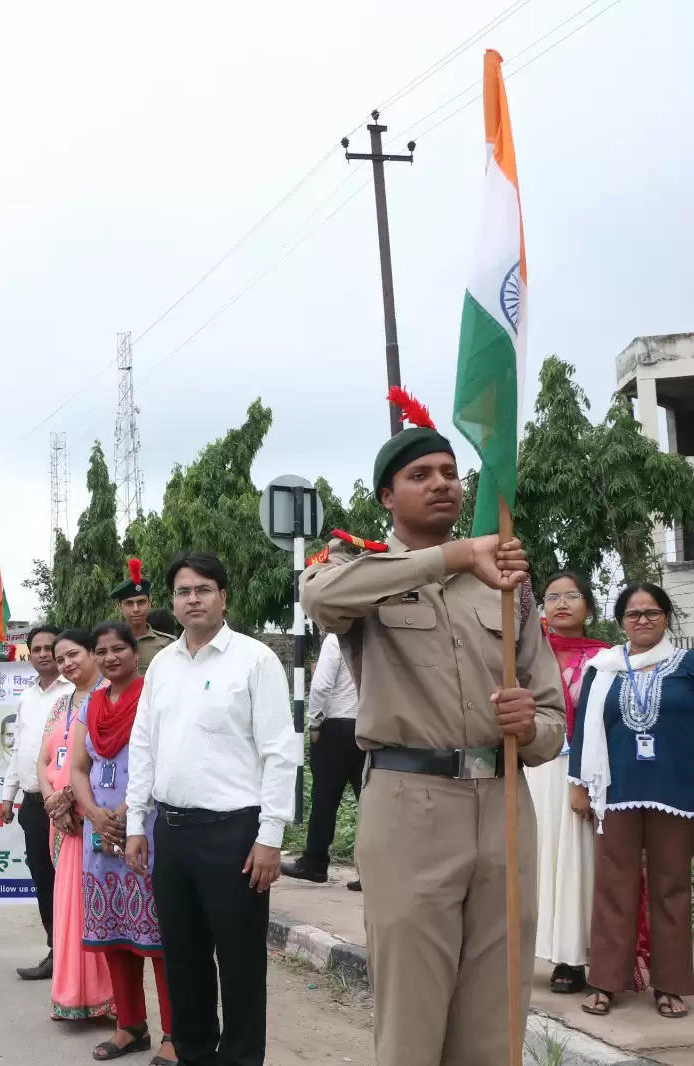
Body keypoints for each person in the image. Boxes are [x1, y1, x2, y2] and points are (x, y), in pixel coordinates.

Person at [301, 398, 565, 1066]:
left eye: (450, 470)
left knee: (496, 1018)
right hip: (410, 804)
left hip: (504, 808)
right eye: (421, 474)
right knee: (412, 1021)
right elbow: (321, 600)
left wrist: (529, 727)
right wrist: (452, 556)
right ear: (388, 495)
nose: (443, 482)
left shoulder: (507, 587)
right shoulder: (362, 573)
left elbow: (553, 719)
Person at [126, 551, 299, 1066]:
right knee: (185, 961)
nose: (193, 599)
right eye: (183, 591)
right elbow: (144, 746)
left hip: (236, 836)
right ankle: (195, 1054)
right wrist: (138, 823)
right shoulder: (161, 665)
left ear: (224, 597)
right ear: (172, 603)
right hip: (173, 832)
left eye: (204, 589)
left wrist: (271, 836)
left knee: (241, 963)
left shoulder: (255, 660)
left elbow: (280, 751)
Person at [572, 582, 694, 1019]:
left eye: (652, 612)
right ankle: (606, 982)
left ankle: (670, 985)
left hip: (676, 792)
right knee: (613, 887)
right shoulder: (602, 669)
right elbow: (583, 729)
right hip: (616, 791)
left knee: (672, 887)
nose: (642, 620)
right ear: (621, 620)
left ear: (666, 617)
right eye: (633, 613)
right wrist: (578, 783)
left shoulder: (688, 665)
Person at [72, 622, 176, 1063]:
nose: (110, 657)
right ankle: (130, 1026)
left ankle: (176, 1034)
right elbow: (78, 767)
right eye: (102, 651)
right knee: (114, 934)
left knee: (160, 940)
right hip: (100, 833)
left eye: (119, 649)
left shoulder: (152, 697)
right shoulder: (91, 704)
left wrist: (124, 814)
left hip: (144, 830)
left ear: (136, 653)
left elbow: (165, 759)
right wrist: (94, 813)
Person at [532, 573, 611, 995]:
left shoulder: (608, 659)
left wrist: (586, 778)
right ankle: (527, 947)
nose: (562, 604)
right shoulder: (526, 654)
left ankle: (571, 957)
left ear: (590, 607)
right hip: (532, 767)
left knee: (575, 861)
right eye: (552, 597)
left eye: (572, 596)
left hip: (581, 771)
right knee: (534, 857)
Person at [40, 629, 114, 1021]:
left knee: (96, 908)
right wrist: (52, 801)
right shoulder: (60, 704)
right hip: (63, 821)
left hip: (97, 816)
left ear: (92, 654)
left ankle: (106, 998)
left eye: (74, 655)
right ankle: (72, 996)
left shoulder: (108, 697)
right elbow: (42, 759)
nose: (67, 663)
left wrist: (69, 797)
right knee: (68, 910)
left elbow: (106, 759)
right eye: (61, 658)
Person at [0, 625, 73, 981]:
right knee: (43, 878)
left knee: (69, 882)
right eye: (38, 649)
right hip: (32, 804)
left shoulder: (77, 693)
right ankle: (55, 951)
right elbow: (19, 749)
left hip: (68, 806)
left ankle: (77, 957)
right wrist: (7, 795)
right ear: (29, 654)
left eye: (50, 648)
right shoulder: (26, 697)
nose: (44, 654)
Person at [280, 632, 362, 887]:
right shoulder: (376, 635)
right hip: (371, 728)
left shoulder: (336, 639)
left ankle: (315, 862)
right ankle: (374, 872)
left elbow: (321, 685)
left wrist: (314, 722)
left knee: (324, 800)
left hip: (336, 727)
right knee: (371, 803)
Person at [111, 559, 173, 674]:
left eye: (141, 602)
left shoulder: (167, 644)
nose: (136, 609)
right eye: (129, 603)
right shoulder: (110, 643)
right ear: (120, 607)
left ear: (150, 603)